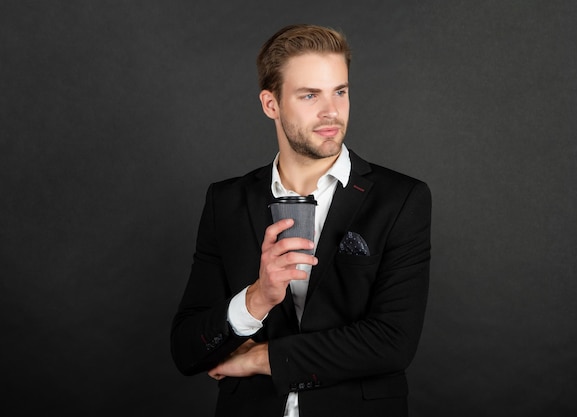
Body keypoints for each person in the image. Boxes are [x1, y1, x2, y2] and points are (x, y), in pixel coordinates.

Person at [170, 24, 431, 417]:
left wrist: (263, 358)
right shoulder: (226, 201)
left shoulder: (400, 198)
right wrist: (257, 299)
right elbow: (187, 349)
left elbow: (392, 342)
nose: (331, 111)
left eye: (340, 92)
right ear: (270, 104)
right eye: (310, 95)